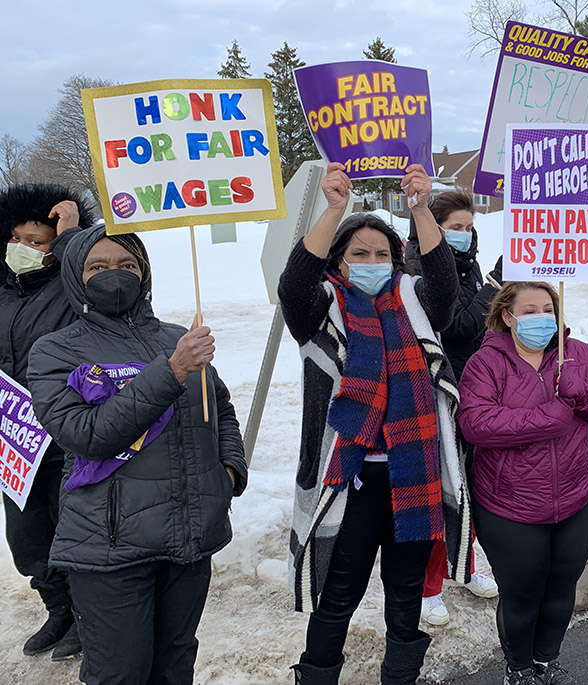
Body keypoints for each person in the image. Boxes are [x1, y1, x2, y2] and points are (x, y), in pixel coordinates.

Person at [26, 225, 248, 683]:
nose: (115, 274)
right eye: (98, 266)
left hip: (189, 540)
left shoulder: (174, 337)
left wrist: (228, 472)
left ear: (144, 273)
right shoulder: (55, 351)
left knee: (175, 664)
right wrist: (170, 371)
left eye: (127, 265)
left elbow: (219, 407)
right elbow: (87, 434)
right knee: (119, 674)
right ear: (76, 275)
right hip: (110, 549)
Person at [279, 162, 473, 685]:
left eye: (382, 254)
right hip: (352, 479)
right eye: (359, 254)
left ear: (397, 259)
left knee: (408, 592)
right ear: (339, 262)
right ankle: (317, 674)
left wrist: (419, 209)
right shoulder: (323, 310)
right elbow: (293, 284)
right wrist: (334, 209)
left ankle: (401, 676)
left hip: (413, 472)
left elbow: (443, 281)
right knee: (339, 592)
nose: (372, 261)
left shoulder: (416, 304)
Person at [458, 281, 588, 685]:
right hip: (511, 507)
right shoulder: (486, 363)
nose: (540, 317)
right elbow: (476, 424)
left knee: (560, 590)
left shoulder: (577, 355)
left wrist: (578, 390)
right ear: (508, 317)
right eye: (529, 310)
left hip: (576, 499)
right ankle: (519, 670)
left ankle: (547, 661)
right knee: (522, 596)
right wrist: (551, 416)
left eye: (547, 308)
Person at [0, 183, 95, 660]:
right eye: (17, 239)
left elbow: (90, 277)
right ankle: (56, 607)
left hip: (65, 433)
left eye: (37, 241)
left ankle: (85, 615)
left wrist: (72, 233)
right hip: (14, 441)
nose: (24, 249)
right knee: (27, 536)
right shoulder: (2, 291)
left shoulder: (73, 285)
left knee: (71, 529)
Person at [404, 191, 499, 626]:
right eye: (454, 227)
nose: (463, 235)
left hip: (474, 390)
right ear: (432, 225)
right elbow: (458, 327)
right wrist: (494, 290)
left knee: (472, 487)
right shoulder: (417, 268)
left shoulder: (470, 266)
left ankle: (464, 565)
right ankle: (428, 587)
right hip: (436, 395)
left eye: (468, 227)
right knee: (445, 491)